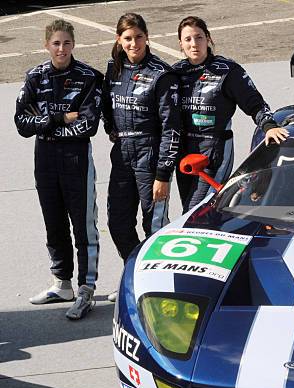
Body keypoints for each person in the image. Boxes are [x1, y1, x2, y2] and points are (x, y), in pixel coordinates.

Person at [14, 19, 103, 320]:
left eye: (66, 43)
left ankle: (86, 288)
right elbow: (21, 124)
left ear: (74, 44)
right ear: (46, 45)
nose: (61, 48)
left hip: (76, 159)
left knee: (83, 225)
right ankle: (62, 283)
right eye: (56, 43)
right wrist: (59, 118)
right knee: (54, 223)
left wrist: (48, 124)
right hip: (45, 159)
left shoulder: (89, 77)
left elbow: (87, 125)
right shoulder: (35, 76)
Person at [173, 16, 288, 213]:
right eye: (188, 39)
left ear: (208, 39)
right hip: (184, 151)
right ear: (181, 44)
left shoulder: (227, 70)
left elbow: (254, 103)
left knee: (198, 211)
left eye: (199, 37)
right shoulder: (175, 72)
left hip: (214, 150)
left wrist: (269, 125)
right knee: (192, 209)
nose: (194, 44)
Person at [102, 12, 181, 298]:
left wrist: (163, 173)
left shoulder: (162, 73)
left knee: (155, 225)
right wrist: (111, 128)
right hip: (122, 155)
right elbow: (105, 107)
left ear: (147, 37)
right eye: (127, 38)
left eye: (138, 37)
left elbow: (172, 127)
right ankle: (134, 273)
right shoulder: (114, 68)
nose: (133, 43)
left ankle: (159, 285)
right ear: (119, 40)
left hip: (151, 155)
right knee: (118, 221)